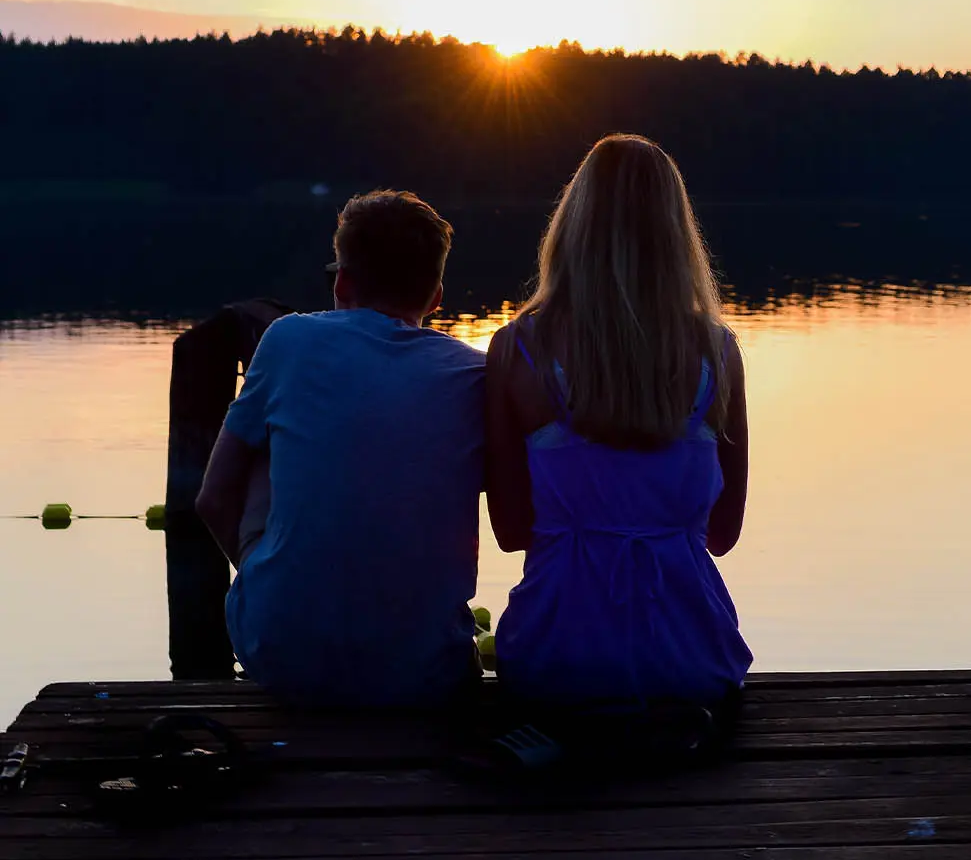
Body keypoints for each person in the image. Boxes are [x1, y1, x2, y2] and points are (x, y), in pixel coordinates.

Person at [485, 135, 751, 712]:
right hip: (692, 664)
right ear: (676, 234)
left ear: (572, 224)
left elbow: (511, 533)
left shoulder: (516, 351)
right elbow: (722, 537)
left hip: (554, 663)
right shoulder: (719, 353)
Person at [196, 190, 486, 706]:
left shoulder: (289, 340)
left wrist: (264, 570)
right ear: (437, 297)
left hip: (282, 653)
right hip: (425, 670)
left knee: (267, 443)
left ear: (342, 280)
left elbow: (213, 499)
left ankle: (289, 595)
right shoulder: (472, 372)